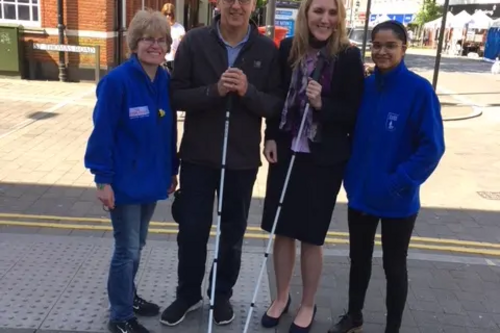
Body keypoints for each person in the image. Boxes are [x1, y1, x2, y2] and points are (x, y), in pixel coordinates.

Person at [159, 0, 283, 327]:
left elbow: (275, 104)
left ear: (253, 4)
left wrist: (248, 91)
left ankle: (221, 294)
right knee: (192, 230)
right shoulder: (195, 42)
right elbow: (176, 95)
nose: (237, 5)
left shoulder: (266, 50)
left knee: (231, 234)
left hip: (241, 160)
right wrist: (214, 91)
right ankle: (187, 294)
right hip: (198, 156)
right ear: (218, 2)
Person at [328, 20, 445, 333]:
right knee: (358, 261)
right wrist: (352, 180)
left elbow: (431, 148)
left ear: (403, 48)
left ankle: (392, 327)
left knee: (394, 267)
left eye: (390, 45)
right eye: (377, 45)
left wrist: (399, 181)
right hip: (362, 194)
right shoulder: (363, 87)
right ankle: (354, 316)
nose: (382, 51)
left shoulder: (419, 91)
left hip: (398, 199)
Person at [259, 0, 364, 332]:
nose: (325, 18)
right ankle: (281, 297)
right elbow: (276, 97)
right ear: (306, 14)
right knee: (284, 229)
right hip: (288, 151)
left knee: (311, 236)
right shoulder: (289, 48)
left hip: (324, 159)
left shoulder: (348, 56)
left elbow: (353, 112)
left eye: (332, 13)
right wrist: (270, 136)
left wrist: (322, 104)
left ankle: (307, 303)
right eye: (319, 11)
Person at [84, 9, 177, 333]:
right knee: (126, 250)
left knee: (138, 245)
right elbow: (102, 134)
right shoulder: (116, 82)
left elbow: (168, 133)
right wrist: (102, 180)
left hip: (152, 179)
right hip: (123, 183)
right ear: (134, 43)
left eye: (161, 40)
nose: (155, 45)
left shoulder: (164, 79)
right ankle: (120, 316)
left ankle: (128, 295)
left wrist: (171, 171)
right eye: (148, 39)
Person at [161, 3, 185, 71]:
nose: (167, 17)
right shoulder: (160, 28)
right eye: (165, 14)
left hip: (174, 61)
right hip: (161, 60)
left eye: (170, 14)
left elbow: (183, 45)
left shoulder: (179, 28)